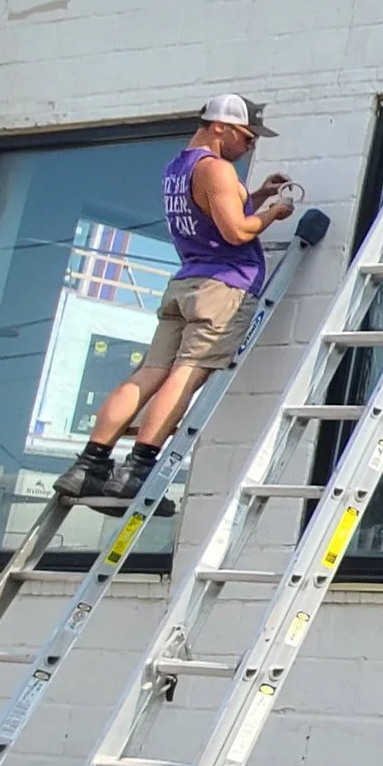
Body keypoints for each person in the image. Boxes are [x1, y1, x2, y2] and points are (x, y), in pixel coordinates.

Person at [52, 94, 298, 503]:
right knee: (186, 374)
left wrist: (254, 197)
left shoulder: (176, 169)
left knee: (148, 373)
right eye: (247, 136)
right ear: (220, 127)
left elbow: (214, 215)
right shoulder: (215, 169)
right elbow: (236, 233)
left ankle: (89, 465)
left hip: (184, 283)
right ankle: (138, 471)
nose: (250, 145)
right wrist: (272, 213)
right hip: (222, 287)